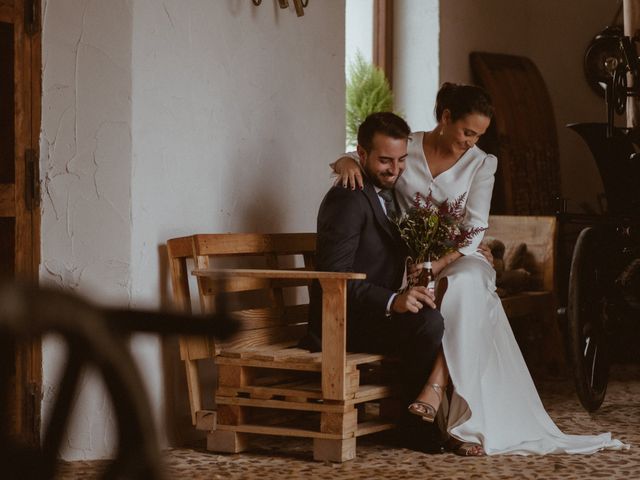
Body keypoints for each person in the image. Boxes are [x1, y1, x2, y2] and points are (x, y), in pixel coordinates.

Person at [331, 83, 628, 455]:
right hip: (410, 264)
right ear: (445, 119)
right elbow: (374, 159)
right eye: (467, 132)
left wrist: (438, 262)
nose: (472, 141)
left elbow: (473, 229)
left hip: (460, 256)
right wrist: (344, 161)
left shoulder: (482, 163)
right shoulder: (408, 148)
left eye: (480, 135)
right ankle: (455, 422)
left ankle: (438, 388)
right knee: (465, 300)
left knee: (466, 282)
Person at [300, 112, 446, 451]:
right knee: (426, 323)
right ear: (361, 155)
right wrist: (392, 301)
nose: (394, 169)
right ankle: (412, 425)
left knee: (450, 308)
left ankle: (444, 417)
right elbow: (333, 279)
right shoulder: (347, 199)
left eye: (401, 160)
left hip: (372, 315)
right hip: (343, 322)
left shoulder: (393, 193)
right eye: (384, 160)